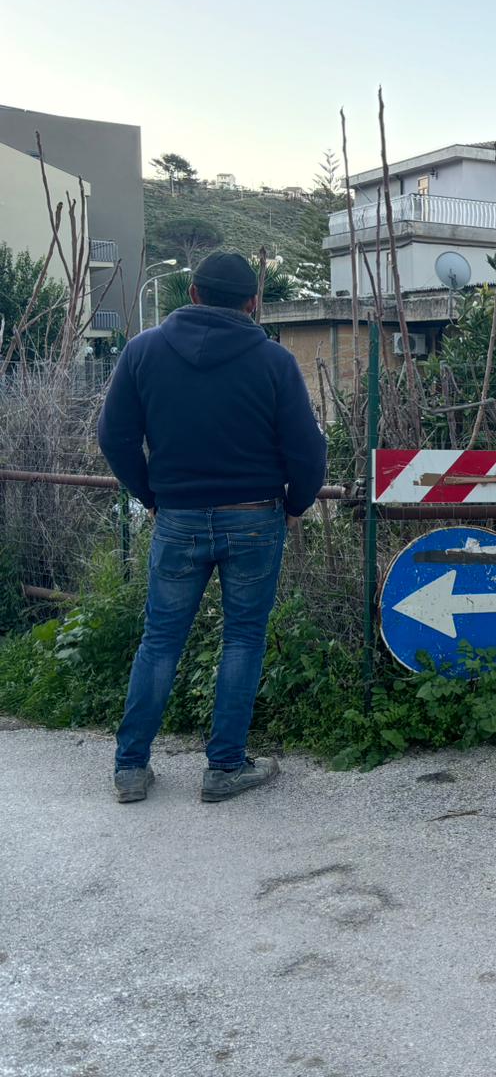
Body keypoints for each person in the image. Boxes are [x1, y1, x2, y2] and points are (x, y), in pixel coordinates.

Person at [98, 252, 327, 804]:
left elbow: (115, 438)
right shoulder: (273, 361)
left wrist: (152, 496)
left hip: (177, 519)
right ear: (252, 303)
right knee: (243, 638)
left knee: (159, 639)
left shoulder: (142, 351)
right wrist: (295, 505)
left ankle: (131, 769)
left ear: (193, 293)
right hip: (255, 518)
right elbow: (308, 448)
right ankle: (223, 768)